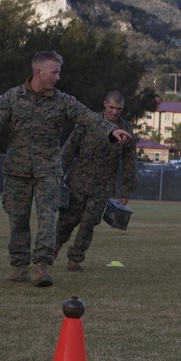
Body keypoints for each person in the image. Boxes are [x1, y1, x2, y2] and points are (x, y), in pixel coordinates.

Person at [0, 51, 132, 287]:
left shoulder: (63, 101)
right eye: (54, 72)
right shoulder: (11, 98)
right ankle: (20, 268)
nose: (58, 77)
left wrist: (110, 130)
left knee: (47, 219)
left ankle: (41, 267)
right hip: (16, 171)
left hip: (48, 170)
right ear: (38, 72)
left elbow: (88, 117)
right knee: (17, 219)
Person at [55, 90, 137, 271]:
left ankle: (75, 260)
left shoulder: (126, 134)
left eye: (119, 109)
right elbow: (69, 149)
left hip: (103, 187)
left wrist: (126, 191)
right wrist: (57, 174)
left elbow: (130, 164)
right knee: (67, 220)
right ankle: (50, 252)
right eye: (112, 107)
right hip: (78, 182)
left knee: (89, 223)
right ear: (105, 104)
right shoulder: (88, 123)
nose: (115, 112)